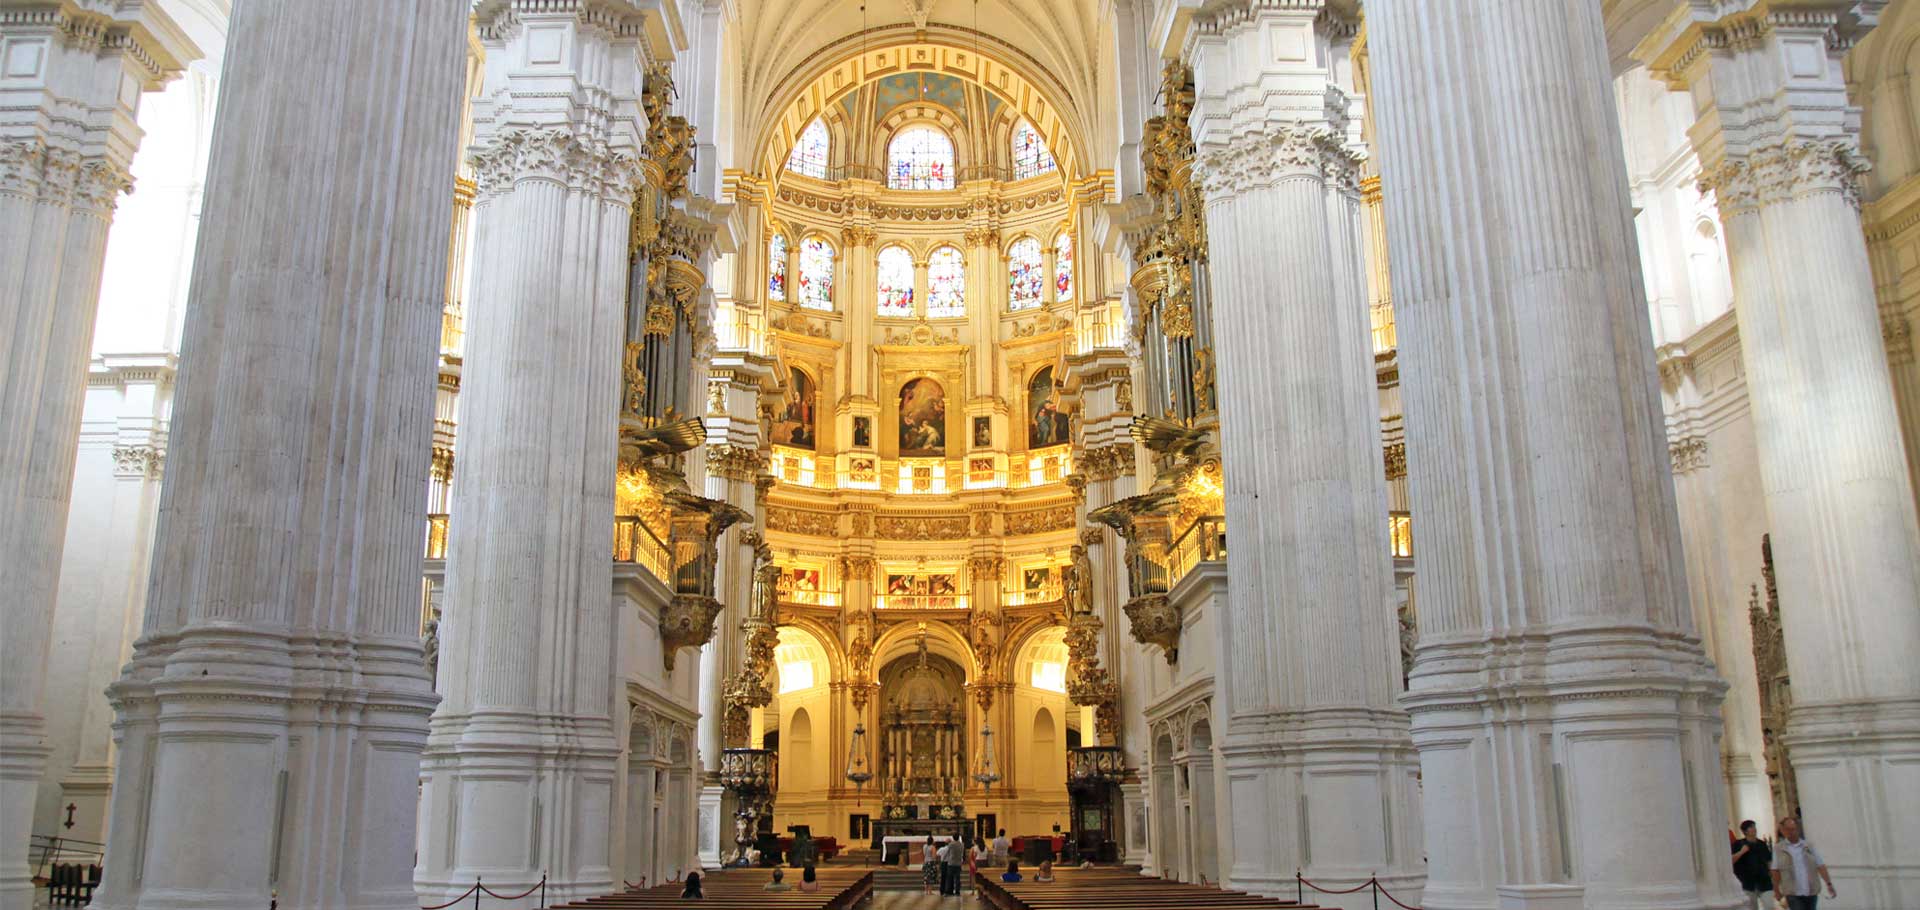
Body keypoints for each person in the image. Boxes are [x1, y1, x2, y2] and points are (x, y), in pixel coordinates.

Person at [1771, 817, 1836, 910]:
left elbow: (1820, 865)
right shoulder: (1778, 849)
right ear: (1783, 831)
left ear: (1797, 829)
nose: (1791, 832)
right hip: (1792, 892)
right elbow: (1775, 870)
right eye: (1787, 829)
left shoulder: (1808, 846)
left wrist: (1828, 883)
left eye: (1793, 829)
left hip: (1810, 890)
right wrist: (1776, 890)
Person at [1731, 820, 1772, 910]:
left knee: (1770, 906)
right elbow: (1731, 860)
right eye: (1751, 827)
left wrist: (1771, 874)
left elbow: (1769, 861)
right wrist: (1741, 852)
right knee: (1752, 907)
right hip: (1747, 882)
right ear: (1745, 831)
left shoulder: (1762, 844)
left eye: (1754, 826)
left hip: (1764, 881)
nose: (1754, 829)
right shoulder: (1738, 844)